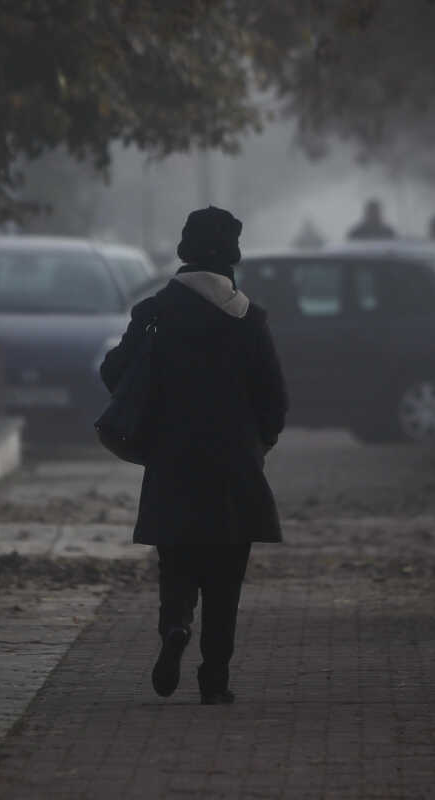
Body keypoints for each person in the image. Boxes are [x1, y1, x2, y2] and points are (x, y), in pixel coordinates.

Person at [99, 206, 288, 705]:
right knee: (226, 578)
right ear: (232, 258)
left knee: (178, 561)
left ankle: (176, 625)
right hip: (234, 467)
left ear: (184, 254)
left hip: (172, 461)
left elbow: (115, 375)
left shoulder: (154, 312)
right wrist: (260, 443)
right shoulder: (250, 319)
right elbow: (275, 399)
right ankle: (215, 678)